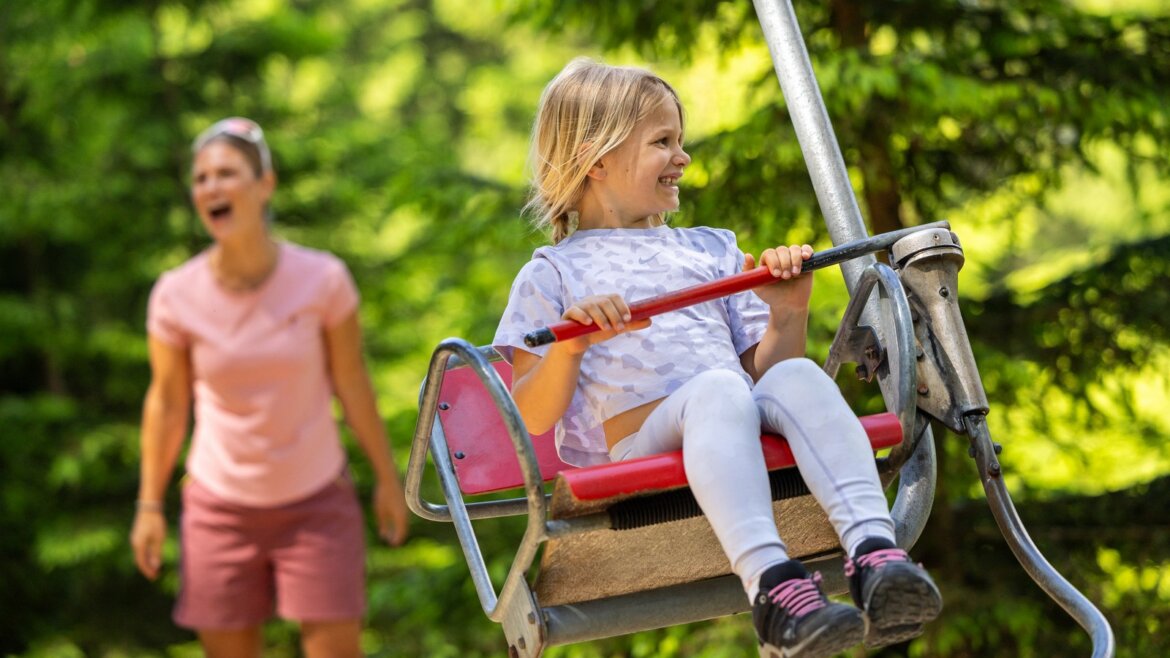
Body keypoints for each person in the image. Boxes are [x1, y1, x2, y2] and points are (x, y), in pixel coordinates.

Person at [492, 59, 942, 658]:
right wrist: (571, 345)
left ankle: (875, 555)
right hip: (642, 447)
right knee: (719, 390)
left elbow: (764, 376)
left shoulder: (709, 250)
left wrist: (787, 314)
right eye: (662, 142)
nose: (683, 157)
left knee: (798, 375)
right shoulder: (552, 273)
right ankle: (772, 587)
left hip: (728, 420)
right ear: (596, 160)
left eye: (679, 140)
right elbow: (530, 413)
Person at [130, 117, 409, 658]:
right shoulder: (175, 295)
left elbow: (353, 383)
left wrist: (386, 478)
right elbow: (166, 403)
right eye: (201, 178)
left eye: (226, 173)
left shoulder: (323, 279)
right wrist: (148, 504)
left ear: (265, 185)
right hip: (218, 507)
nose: (211, 187)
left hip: (316, 501)